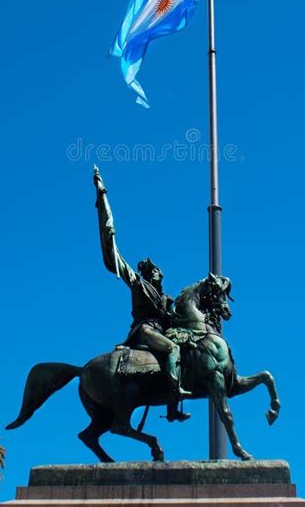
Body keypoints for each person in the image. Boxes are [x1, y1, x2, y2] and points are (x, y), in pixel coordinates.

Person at [93, 166, 190, 422]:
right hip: (145, 330)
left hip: (161, 329)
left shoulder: (166, 299)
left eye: (159, 270)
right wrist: (108, 231)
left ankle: (172, 407)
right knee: (171, 350)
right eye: (155, 270)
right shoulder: (138, 284)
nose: (160, 272)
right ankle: (175, 393)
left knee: (187, 350)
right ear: (149, 273)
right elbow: (117, 263)